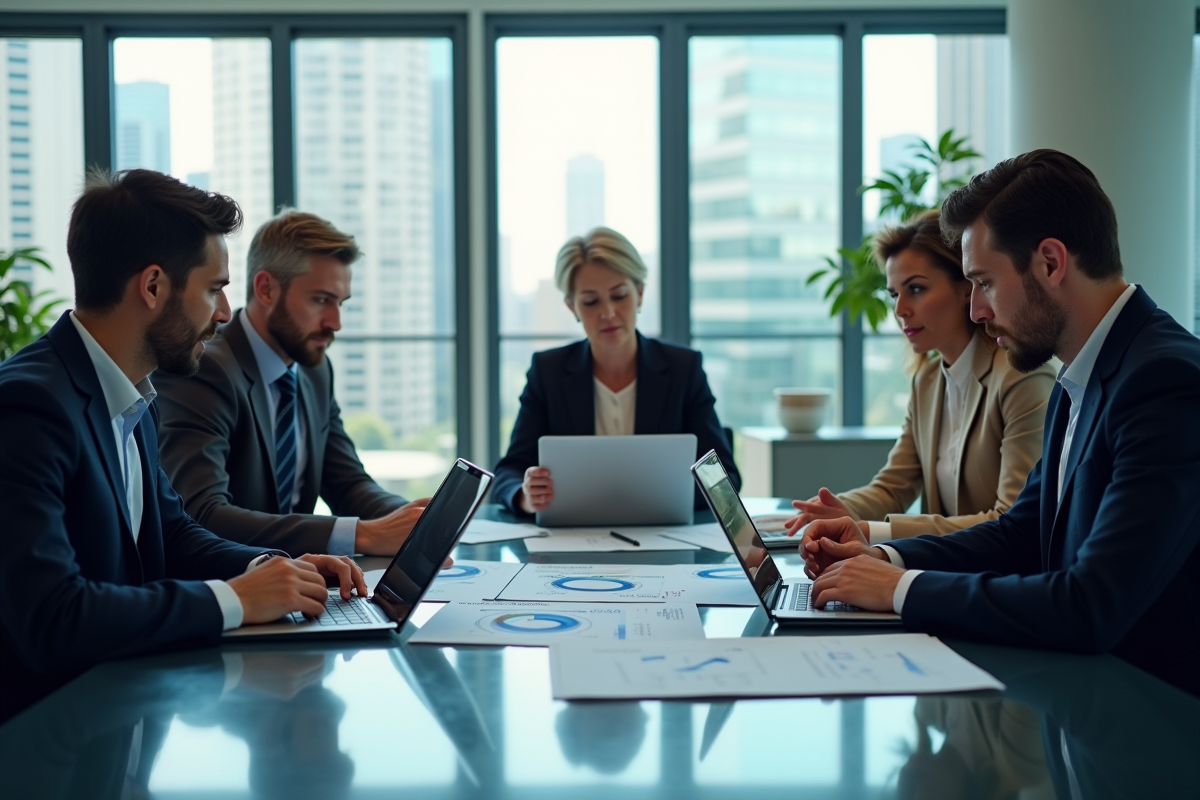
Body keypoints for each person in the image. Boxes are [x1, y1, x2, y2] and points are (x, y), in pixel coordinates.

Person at [799, 149, 1200, 695]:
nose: (976, 311)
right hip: (1089, 701)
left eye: (984, 282)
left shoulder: (1164, 381)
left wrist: (899, 588)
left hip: (1152, 720)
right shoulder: (1082, 374)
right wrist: (882, 557)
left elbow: (1090, 605)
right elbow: (1022, 534)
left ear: (1051, 262)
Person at [0, 170, 367, 720]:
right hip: (47, 734)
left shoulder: (132, 395)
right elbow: (53, 617)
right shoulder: (29, 407)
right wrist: (236, 599)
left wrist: (273, 567)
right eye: (214, 288)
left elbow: (172, 533)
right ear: (153, 287)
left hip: (123, 711)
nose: (224, 312)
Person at [155, 210, 427, 556]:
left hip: (300, 577)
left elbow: (347, 484)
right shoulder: (205, 368)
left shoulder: (315, 370)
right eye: (321, 300)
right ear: (266, 289)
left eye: (340, 303)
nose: (336, 322)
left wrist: (413, 518)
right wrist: (362, 535)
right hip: (235, 581)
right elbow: (201, 513)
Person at [786, 210, 1056, 543]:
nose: (900, 310)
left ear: (966, 287)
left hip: (999, 571)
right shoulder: (928, 381)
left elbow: (1011, 520)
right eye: (894, 294)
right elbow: (892, 488)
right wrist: (830, 510)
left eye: (915, 289)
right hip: (944, 567)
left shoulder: (1020, 377)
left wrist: (870, 530)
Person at [492, 226, 739, 515]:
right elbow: (508, 472)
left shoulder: (683, 369)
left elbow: (725, 480)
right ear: (572, 307)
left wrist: (671, 494)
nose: (608, 313)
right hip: (572, 534)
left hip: (662, 531)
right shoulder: (548, 372)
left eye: (619, 296)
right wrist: (525, 495)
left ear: (640, 293)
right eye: (591, 301)